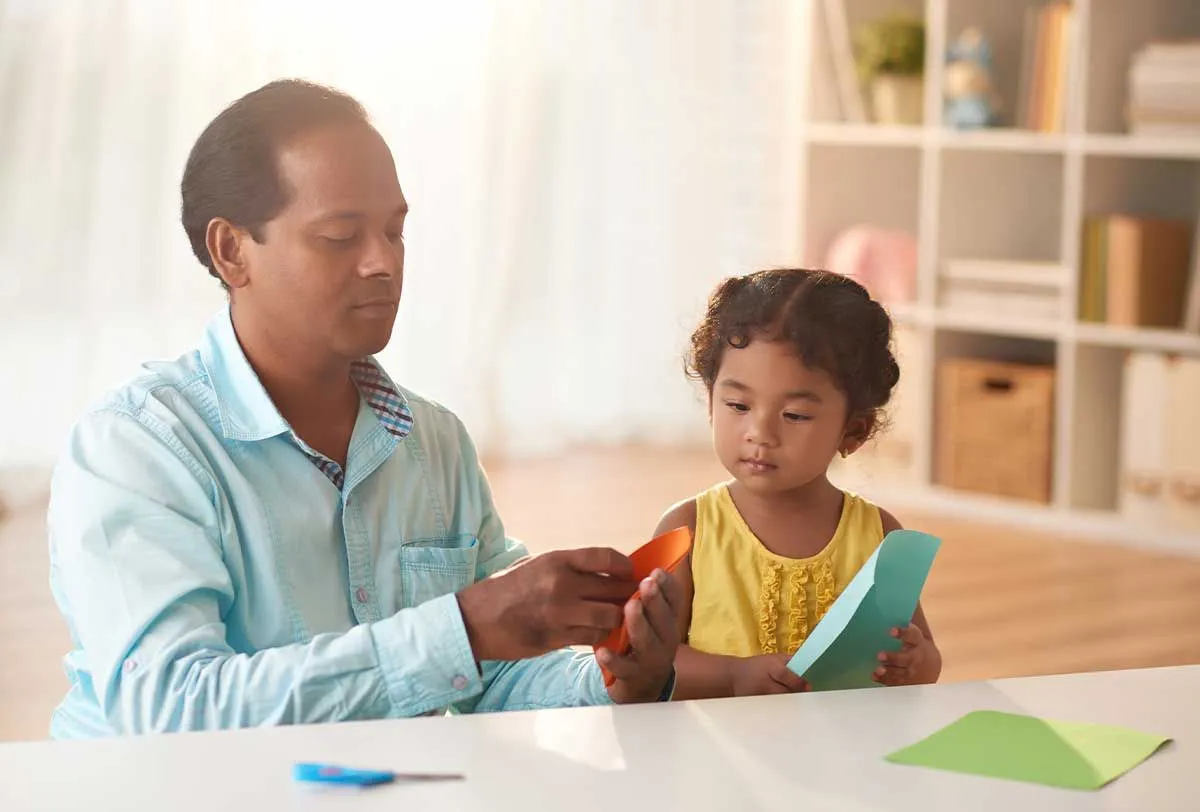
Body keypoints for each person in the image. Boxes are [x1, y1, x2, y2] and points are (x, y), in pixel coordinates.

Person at [45, 79, 682, 739]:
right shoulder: (135, 447)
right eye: (340, 236)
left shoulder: (434, 441)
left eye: (394, 231)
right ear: (232, 251)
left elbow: (491, 675)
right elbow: (175, 710)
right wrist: (462, 627)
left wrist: (615, 681)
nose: (383, 263)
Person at [655, 268, 941, 700]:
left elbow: (926, 659)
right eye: (737, 405)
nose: (760, 432)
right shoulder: (688, 528)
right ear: (712, 401)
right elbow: (649, 663)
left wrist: (913, 662)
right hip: (717, 752)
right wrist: (732, 675)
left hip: (838, 753)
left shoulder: (879, 535)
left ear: (854, 431)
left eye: (795, 415)